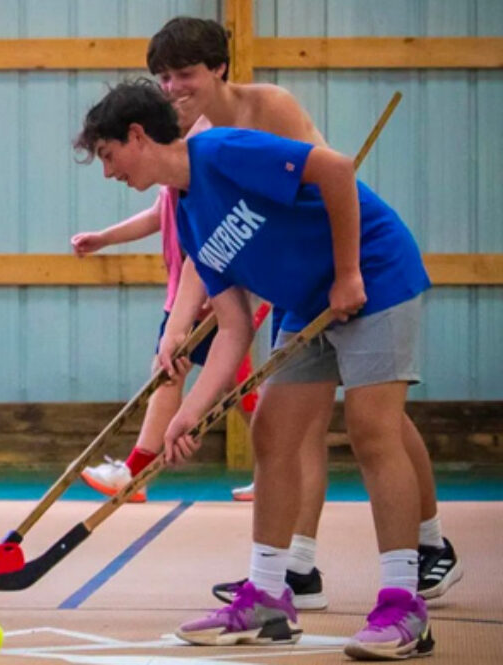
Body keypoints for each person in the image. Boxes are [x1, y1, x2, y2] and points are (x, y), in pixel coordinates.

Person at [80, 16, 461, 607]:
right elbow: (231, 326)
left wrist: (347, 274)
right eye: (164, 78)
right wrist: (189, 410)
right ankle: (271, 589)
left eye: (109, 157)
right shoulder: (185, 204)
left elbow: (334, 172)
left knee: (371, 424)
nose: (109, 172)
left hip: (370, 273)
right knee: (275, 431)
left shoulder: (230, 139)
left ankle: (403, 593)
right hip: (302, 295)